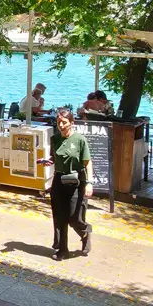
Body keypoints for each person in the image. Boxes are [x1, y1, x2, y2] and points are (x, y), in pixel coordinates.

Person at [46, 109, 93, 259]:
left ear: (72, 123)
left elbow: (87, 163)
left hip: (76, 181)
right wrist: (48, 161)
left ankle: (85, 232)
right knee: (59, 216)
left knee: (74, 217)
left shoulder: (80, 140)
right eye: (59, 122)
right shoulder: (55, 139)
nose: (61, 125)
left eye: (64, 122)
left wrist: (89, 183)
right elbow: (55, 157)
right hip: (59, 180)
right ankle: (62, 249)